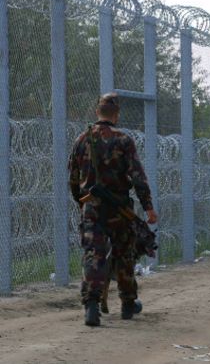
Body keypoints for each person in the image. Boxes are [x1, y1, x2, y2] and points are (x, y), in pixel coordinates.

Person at [68, 93, 157, 326]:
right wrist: (148, 207)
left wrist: (81, 201)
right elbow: (137, 177)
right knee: (124, 254)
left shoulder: (82, 140)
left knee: (94, 255)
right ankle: (128, 303)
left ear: (97, 112)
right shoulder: (124, 140)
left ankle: (91, 306)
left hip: (92, 207)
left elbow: (73, 178)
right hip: (119, 208)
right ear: (116, 114)